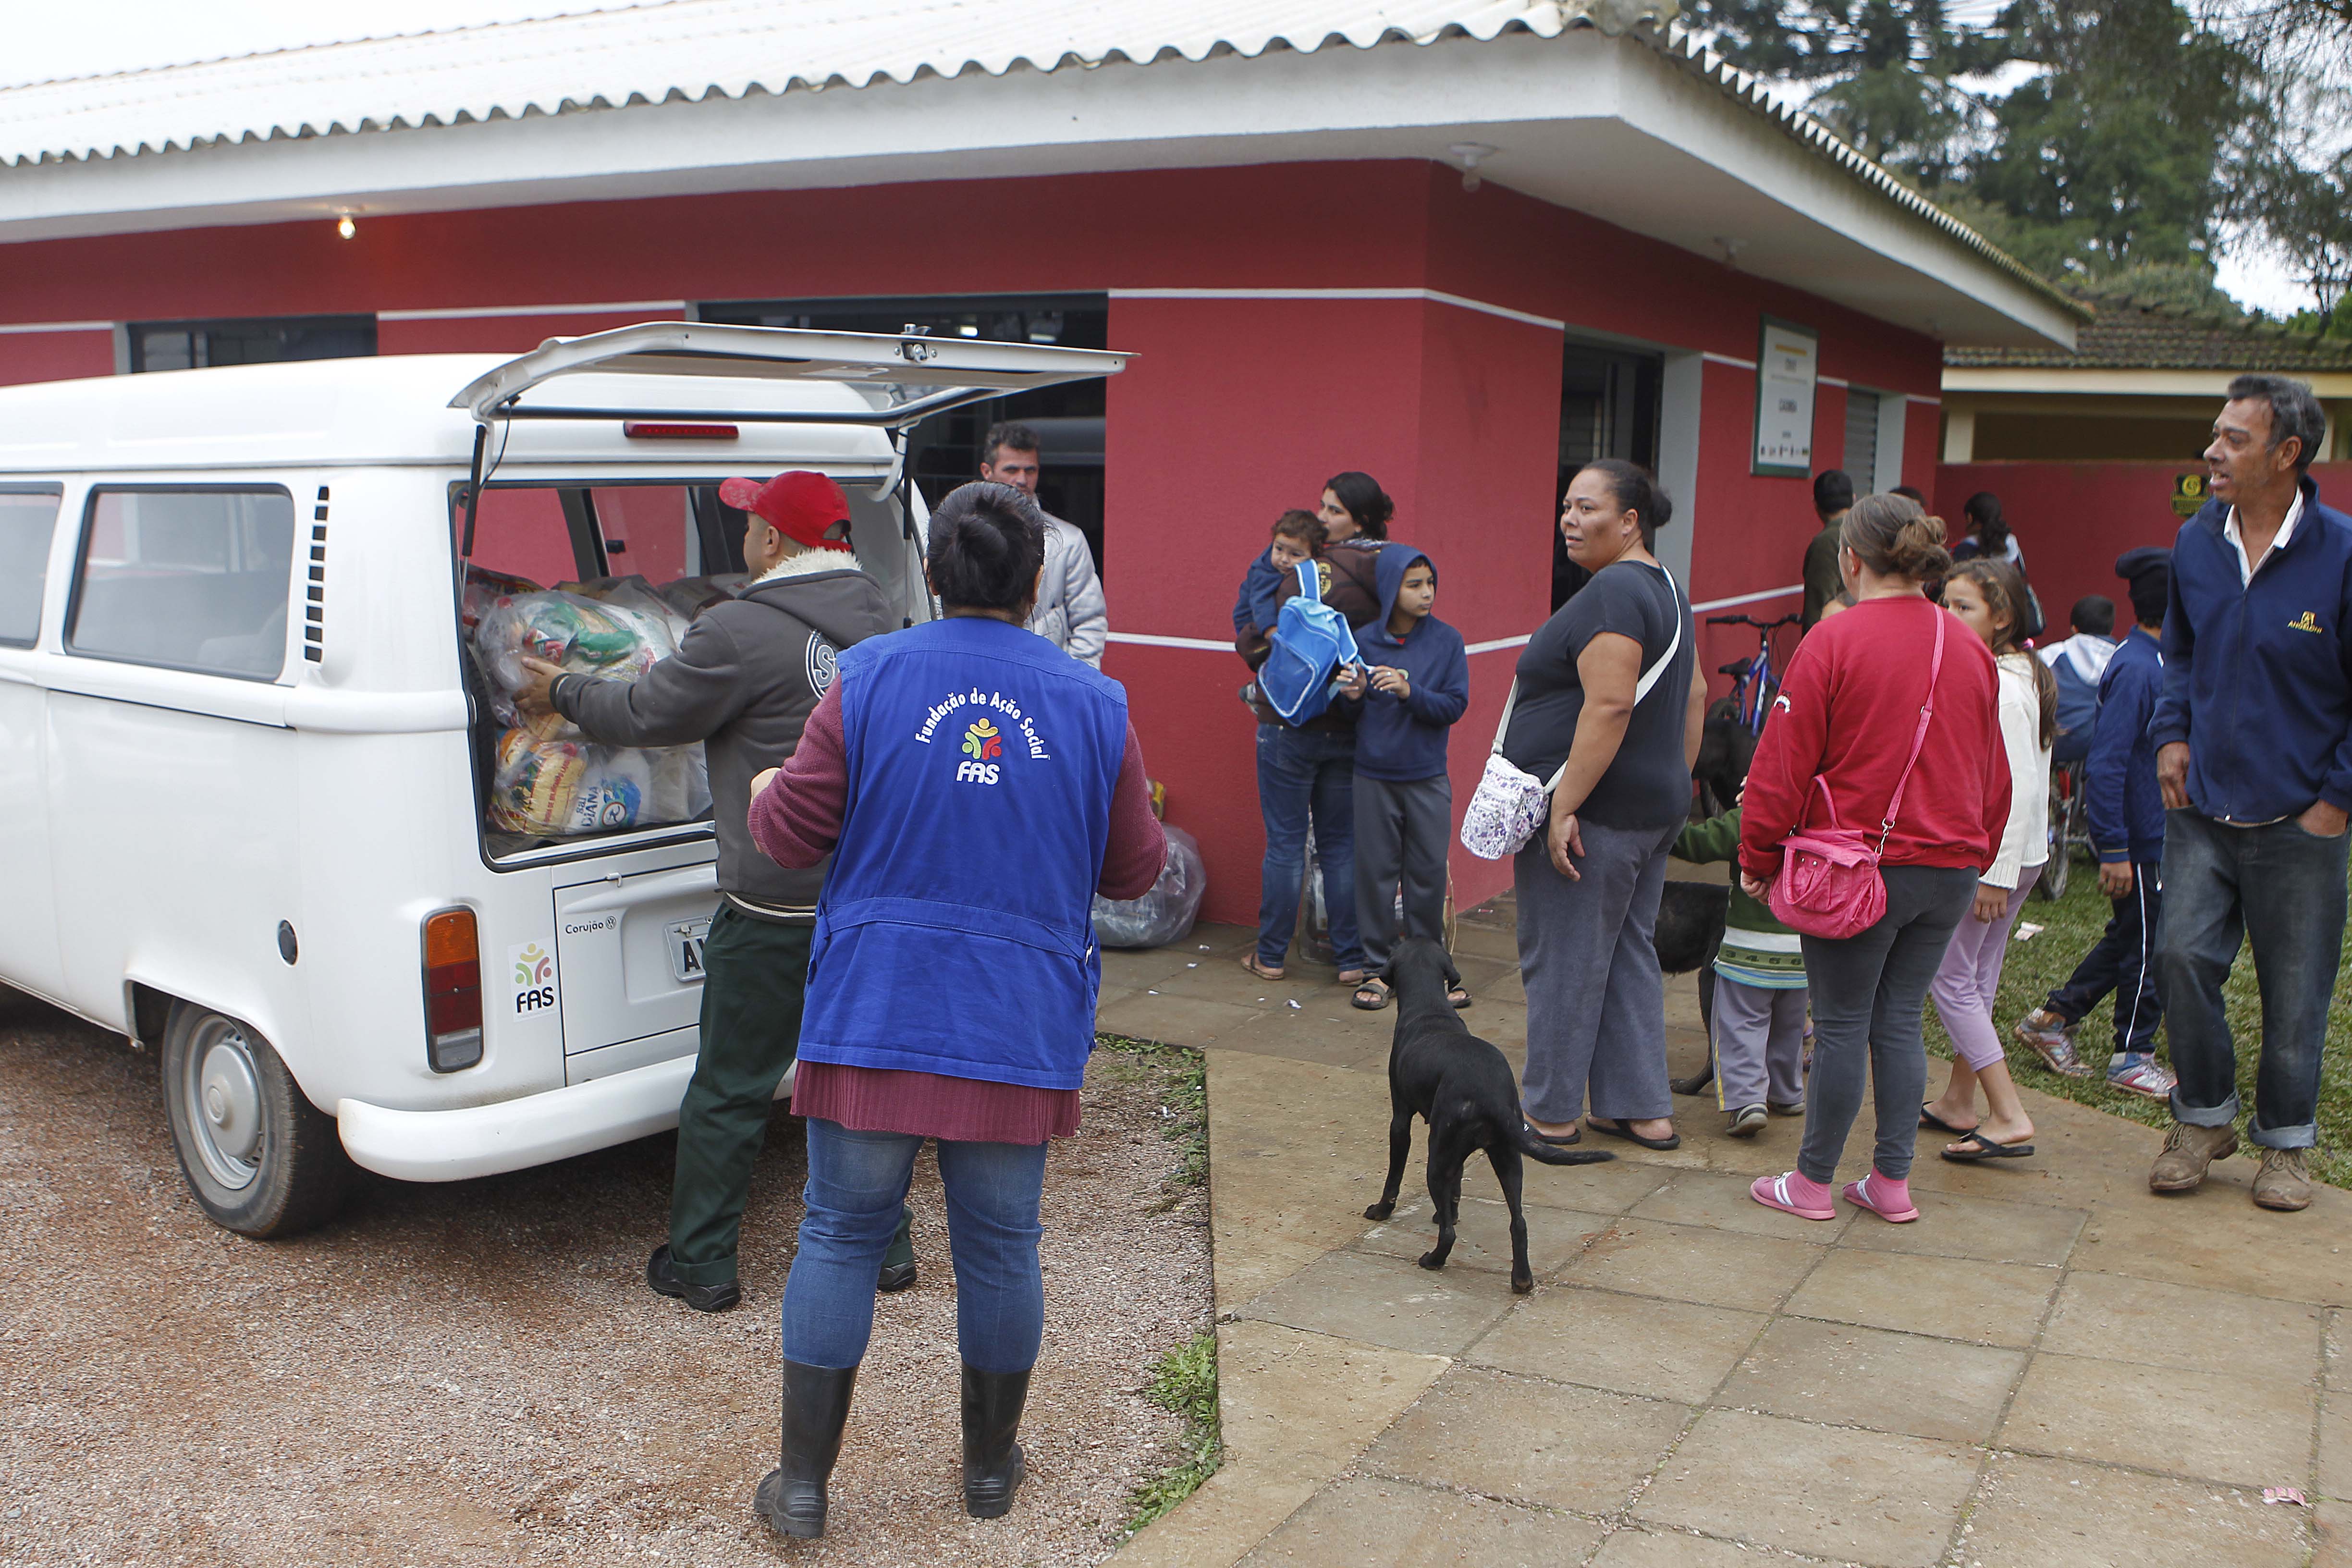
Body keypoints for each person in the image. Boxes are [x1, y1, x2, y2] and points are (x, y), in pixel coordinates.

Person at [741, 480, 1166, 1538]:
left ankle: (803, 1486)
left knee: (840, 1232)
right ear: (1038, 580)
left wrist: (762, 795)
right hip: (1016, 1015)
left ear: (930, 573)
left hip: (876, 1002)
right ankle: (987, 1472)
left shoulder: (868, 677)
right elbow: (1133, 870)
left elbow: (788, 836)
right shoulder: (1095, 703)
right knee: (1002, 1243)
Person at [513, 470, 904, 1313]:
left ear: (774, 541)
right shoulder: (877, 612)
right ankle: (886, 1249)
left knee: (730, 1087)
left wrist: (563, 690)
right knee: (858, 1076)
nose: (745, 536)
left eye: (752, 522)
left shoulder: (736, 629)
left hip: (773, 901)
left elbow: (646, 714)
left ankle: (701, 1262)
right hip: (864, 899)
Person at [1741, 494, 2008, 1225]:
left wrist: (1758, 853)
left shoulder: (1832, 640)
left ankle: (1812, 1183)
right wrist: (1976, 854)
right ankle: (1891, 1183)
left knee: (1840, 1024)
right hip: (1951, 871)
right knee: (1898, 1021)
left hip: (1859, 872)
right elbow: (1995, 776)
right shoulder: (1971, 648)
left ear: (1850, 559)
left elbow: (1782, 765)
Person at [2146, 374, 2351, 1213]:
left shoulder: (2341, 551)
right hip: (2202, 806)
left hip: (2303, 816)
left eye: (2235, 438)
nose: (2213, 451)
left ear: (2287, 453)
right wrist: (2171, 734)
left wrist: (2336, 799)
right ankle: (2203, 1120)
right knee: (2179, 958)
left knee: (2295, 991)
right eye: (2216, 434)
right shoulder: (2196, 540)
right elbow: (2180, 653)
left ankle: (2287, 1145)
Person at [1504, 459, 1706, 1152]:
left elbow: (1612, 703)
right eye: (1567, 505)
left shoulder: (1615, 591)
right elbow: (1696, 696)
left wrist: (1566, 805)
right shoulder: (1666, 587)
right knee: (1626, 953)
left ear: (1630, 521)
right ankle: (1640, 1109)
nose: (1570, 519)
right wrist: (1671, 780)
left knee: (1565, 959)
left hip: (1598, 814)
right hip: (1650, 809)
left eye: (1588, 508)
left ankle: (1550, 1113)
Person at [2014, 548, 2175, 1100]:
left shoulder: (2157, 661)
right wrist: (2114, 849)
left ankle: (2053, 1019)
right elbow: (2106, 765)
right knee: (2150, 945)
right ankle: (2133, 1055)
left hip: (2154, 834)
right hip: (2140, 837)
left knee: (2134, 934)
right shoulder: (2137, 668)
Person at [1234, 471, 1396, 987]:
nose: (1322, 518)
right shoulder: (1392, 572)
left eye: (1334, 510)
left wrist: (1259, 641)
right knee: (1340, 846)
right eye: (1323, 507)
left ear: (1360, 520)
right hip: (1350, 721)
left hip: (1289, 722)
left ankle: (1270, 956)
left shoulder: (1309, 575)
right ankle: (1350, 960)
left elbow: (1253, 634)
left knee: (1285, 844)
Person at [1921, 557, 2056, 1162]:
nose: (1948, 615)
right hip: (2019, 854)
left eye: (1963, 606)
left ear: (2001, 618)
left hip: (1999, 858)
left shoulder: (2002, 684)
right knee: (1976, 976)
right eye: (1944, 603)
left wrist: (1994, 875)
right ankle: (1959, 1100)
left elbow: (2018, 787)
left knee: (1949, 976)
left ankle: (2007, 1112)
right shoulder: (2018, 671)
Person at [1337, 546, 1469, 1010]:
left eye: (1430, 583)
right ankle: (1378, 970)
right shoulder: (1361, 641)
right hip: (1373, 777)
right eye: (1414, 585)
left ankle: (1430, 971)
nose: (1426, 593)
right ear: (1391, 589)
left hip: (1427, 776)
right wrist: (1353, 695)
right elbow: (1346, 714)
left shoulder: (1447, 641)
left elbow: (1455, 705)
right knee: (1375, 876)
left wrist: (1410, 691)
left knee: (1427, 876)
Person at [1674, 801, 1807, 1137]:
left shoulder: (1753, 815)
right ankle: (1787, 1094)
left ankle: (1748, 1102)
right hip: (1802, 953)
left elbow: (1696, 844)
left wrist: (1664, 820)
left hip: (1748, 952)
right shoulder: (1819, 817)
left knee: (1740, 1025)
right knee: (1788, 1028)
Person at [979, 421, 1108, 668]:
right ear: (987, 471)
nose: (1022, 479)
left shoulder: (1069, 541)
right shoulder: (964, 535)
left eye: (1030, 470)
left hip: (1048, 681)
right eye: (1011, 469)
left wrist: (1073, 681)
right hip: (982, 674)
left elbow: (1090, 622)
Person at [2038, 595, 2118, 765]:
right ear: (2111, 630)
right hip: (2104, 759)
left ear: (2074, 629)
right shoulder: (2123, 661)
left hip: (2052, 754)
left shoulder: (2049, 657)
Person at [1233, 508, 1323, 645]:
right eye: (1279, 549)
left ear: (1314, 554)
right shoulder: (1264, 571)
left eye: (1295, 555)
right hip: (1251, 620)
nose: (1284, 559)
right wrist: (1271, 630)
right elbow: (1261, 601)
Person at [1800, 470, 1856, 628]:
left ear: (1815, 504)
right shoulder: (1869, 533)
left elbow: (1818, 607)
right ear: (1854, 499)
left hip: (1842, 633)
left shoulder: (1826, 543)